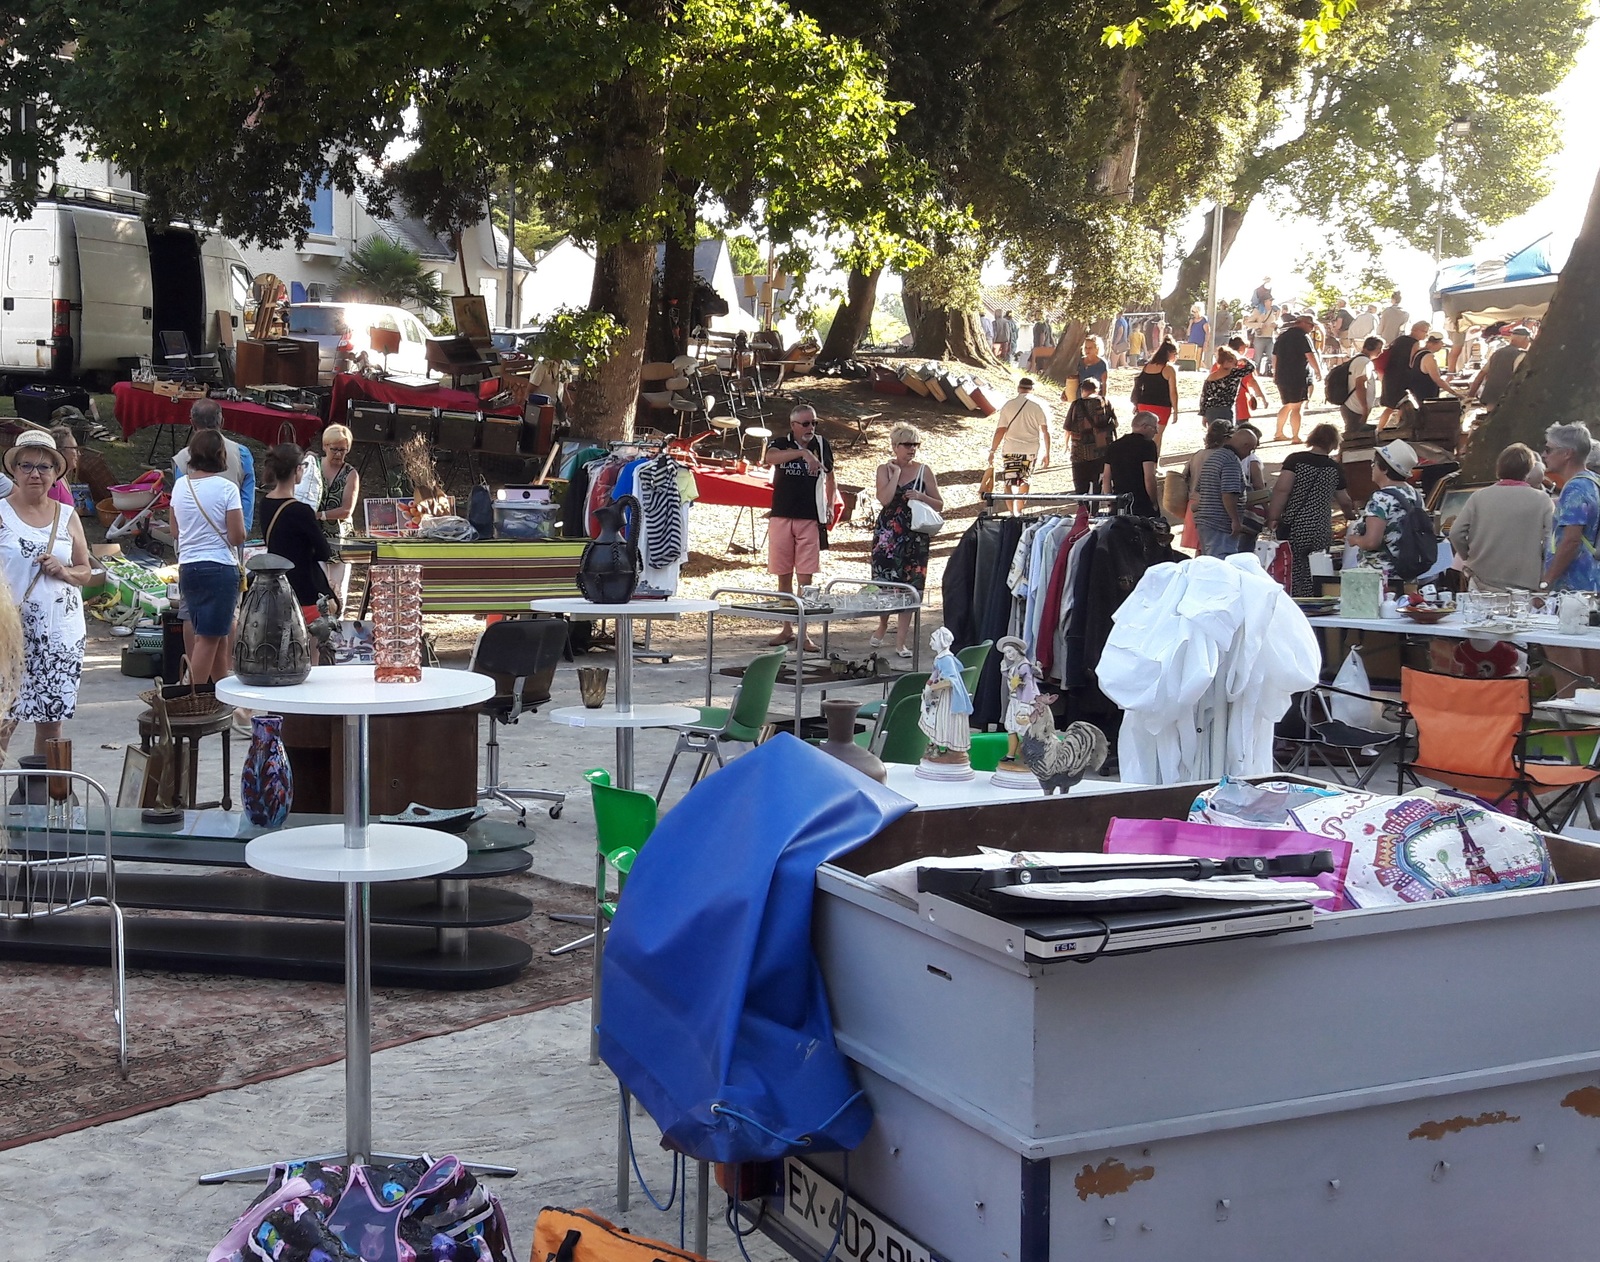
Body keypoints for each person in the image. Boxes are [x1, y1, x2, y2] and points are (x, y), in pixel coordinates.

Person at [0, 432, 89, 757]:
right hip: (9, 636)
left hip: (59, 635)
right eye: (26, 465)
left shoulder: (67, 516)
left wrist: (63, 572)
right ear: (14, 471)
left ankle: (43, 797)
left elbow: (86, 571)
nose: (35, 474)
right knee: (3, 718)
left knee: (51, 723)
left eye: (44, 467)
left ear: (55, 473)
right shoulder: (1, 513)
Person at [172, 428, 247, 685]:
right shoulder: (227, 488)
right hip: (219, 568)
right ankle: (189, 698)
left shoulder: (180, 485)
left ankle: (223, 696)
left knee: (218, 634)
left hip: (189, 567)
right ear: (220, 455)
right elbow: (237, 536)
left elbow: (175, 530)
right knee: (209, 638)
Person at [763, 404, 837, 649]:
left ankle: (804, 633)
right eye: (805, 424)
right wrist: (802, 454)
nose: (810, 428)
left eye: (814, 423)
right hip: (782, 515)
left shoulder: (822, 444)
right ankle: (786, 629)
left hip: (810, 517)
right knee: (783, 576)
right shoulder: (781, 442)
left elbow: (830, 474)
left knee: (805, 579)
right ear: (793, 425)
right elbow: (770, 458)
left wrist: (831, 502)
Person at [870, 423, 942, 659]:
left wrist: (921, 496)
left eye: (915, 444)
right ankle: (882, 624)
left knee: (910, 587)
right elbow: (885, 499)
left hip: (915, 535)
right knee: (886, 583)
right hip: (889, 534)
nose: (912, 449)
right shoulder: (884, 469)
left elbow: (939, 503)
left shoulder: (924, 470)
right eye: (907, 444)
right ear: (895, 446)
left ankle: (901, 642)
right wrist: (897, 475)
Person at [1266, 424, 1356, 597]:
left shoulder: (1295, 460)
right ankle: (1314, 600)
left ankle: (1296, 600)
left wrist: (1274, 517)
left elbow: (1282, 490)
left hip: (1296, 524)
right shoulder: (1334, 468)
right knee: (1318, 567)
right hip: (1321, 527)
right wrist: (1351, 517)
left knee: (1295, 566)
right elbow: (1344, 500)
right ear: (1333, 443)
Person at [1448, 443, 1553, 591]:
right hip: (1525, 582)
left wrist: (1468, 556)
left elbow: (1456, 533)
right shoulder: (1542, 500)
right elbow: (1551, 541)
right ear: (1528, 471)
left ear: (1499, 467)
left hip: (1482, 578)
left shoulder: (1479, 497)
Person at [259, 443, 336, 619]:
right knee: (312, 644)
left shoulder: (265, 504)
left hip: (277, 584)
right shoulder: (301, 511)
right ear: (297, 469)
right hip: (305, 588)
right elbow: (324, 552)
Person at [174, 398, 255, 525]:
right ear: (221, 422)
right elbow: (247, 497)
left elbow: (180, 503)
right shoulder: (241, 453)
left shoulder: (182, 458)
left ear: (193, 423)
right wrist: (243, 526)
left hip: (193, 533)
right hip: (231, 530)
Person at [1539, 423, 1600, 593]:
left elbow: (1571, 541)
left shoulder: (1575, 488)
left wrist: (1546, 582)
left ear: (1567, 453)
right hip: (1592, 579)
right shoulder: (1593, 481)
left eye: (1549, 449)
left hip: (1574, 586)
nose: (1544, 455)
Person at [1348, 439, 1423, 575]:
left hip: (1380, 574)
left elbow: (1371, 542)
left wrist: (1354, 540)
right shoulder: (1414, 494)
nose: (1372, 467)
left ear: (1385, 469)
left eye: (1374, 464)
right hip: (1407, 570)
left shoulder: (1380, 499)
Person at [1191, 423, 1258, 558]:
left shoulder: (1214, 457)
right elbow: (1228, 494)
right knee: (1221, 562)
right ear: (1245, 446)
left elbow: (1200, 489)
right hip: (1220, 523)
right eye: (1250, 450)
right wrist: (1235, 520)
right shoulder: (1231, 461)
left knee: (1209, 561)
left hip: (1206, 520)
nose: (1249, 454)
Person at [315, 422, 360, 609]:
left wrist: (320, 515)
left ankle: (337, 629)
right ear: (325, 446)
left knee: (337, 589)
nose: (339, 454)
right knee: (317, 585)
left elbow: (347, 510)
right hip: (314, 536)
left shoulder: (351, 474)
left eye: (344, 450)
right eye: (335, 449)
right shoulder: (313, 466)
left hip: (339, 538)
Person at [987, 377, 1051, 502]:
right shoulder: (1038, 406)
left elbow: (1000, 430)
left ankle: (1012, 512)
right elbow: (1045, 431)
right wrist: (1047, 453)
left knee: (1009, 481)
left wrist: (992, 451)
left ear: (1018, 388)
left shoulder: (1009, 405)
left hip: (1011, 448)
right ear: (1033, 389)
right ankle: (1020, 510)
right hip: (1030, 449)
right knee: (1025, 479)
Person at [917, 626, 973, 764]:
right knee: (935, 718)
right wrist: (929, 684)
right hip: (940, 694)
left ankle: (953, 750)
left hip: (947, 696)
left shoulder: (946, 659)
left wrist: (934, 687)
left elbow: (950, 680)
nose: (930, 642)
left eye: (933, 639)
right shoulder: (940, 657)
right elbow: (935, 673)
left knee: (946, 720)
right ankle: (938, 746)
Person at [1271, 313, 1323, 443]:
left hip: (1282, 376)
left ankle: (1279, 432)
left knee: (1288, 404)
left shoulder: (1282, 336)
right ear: (1303, 323)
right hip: (1297, 376)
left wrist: (1275, 373)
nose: (1312, 328)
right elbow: (1310, 355)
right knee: (1296, 407)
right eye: (1310, 325)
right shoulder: (1303, 336)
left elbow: (1274, 356)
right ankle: (1296, 436)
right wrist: (1318, 371)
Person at [1101, 410, 1161, 518]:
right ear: (1145, 426)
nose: (1156, 432)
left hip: (1120, 501)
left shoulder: (1114, 445)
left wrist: (1110, 501)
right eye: (1154, 427)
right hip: (1141, 502)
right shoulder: (1148, 445)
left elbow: (1106, 477)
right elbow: (1149, 477)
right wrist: (1154, 502)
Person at [1064, 377, 1115, 495]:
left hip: (1080, 451)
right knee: (1098, 481)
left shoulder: (1076, 405)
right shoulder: (1105, 402)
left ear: (1082, 390)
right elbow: (1114, 423)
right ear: (1097, 390)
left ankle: (1083, 508)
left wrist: (1066, 445)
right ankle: (1095, 508)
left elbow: (1068, 428)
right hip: (1102, 450)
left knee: (1081, 485)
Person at [1376, 319, 1430, 428]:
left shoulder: (1399, 339)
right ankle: (1380, 429)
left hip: (1390, 374)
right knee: (1394, 405)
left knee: (1397, 405)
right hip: (1401, 377)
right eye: (1425, 331)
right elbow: (1412, 362)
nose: (1426, 335)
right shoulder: (1414, 343)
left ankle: (1395, 426)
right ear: (1416, 330)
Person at [997, 635, 1040, 766]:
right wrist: (1004, 671)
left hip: (1023, 702)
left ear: (1018, 650)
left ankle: (1028, 755)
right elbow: (1013, 680)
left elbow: (1028, 687)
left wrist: (1025, 705)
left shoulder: (1024, 667)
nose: (1008, 655)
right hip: (1014, 700)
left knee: (1024, 728)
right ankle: (1011, 754)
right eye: (1006, 653)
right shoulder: (1016, 666)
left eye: (1010, 651)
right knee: (1011, 727)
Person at [1470, 325, 1533, 412]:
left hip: (1490, 398)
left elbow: (1481, 374)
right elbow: (1519, 379)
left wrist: (1470, 396)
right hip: (1507, 399)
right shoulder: (1521, 354)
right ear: (1525, 339)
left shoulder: (1498, 353)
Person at [1130, 339, 1179, 443]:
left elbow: (1140, 385)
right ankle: (1154, 458)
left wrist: (1136, 403)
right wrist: (1175, 410)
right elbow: (1173, 392)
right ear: (1169, 353)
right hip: (1162, 406)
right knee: (1157, 438)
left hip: (1144, 404)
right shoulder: (1168, 369)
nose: (1176, 357)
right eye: (1175, 354)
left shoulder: (1147, 366)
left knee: (1142, 437)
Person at [1342, 335, 1384, 431]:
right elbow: (1360, 386)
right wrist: (1365, 408)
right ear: (1370, 347)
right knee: (1354, 436)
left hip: (1355, 406)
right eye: (1379, 348)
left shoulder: (1362, 361)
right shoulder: (1363, 362)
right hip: (1355, 407)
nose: (1381, 352)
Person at [1408, 332, 1464, 403]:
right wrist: (1456, 394)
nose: (1442, 346)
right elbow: (1437, 380)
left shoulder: (1418, 353)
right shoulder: (1429, 357)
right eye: (1442, 344)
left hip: (1419, 393)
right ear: (1436, 343)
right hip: (1427, 396)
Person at [1198, 346, 1247, 422]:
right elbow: (1251, 367)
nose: (1236, 366)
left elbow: (1204, 397)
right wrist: (1243, 359)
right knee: (1226, 432)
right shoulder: (1234, 375)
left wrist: (1203, 414)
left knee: (1213, 432)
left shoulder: (1210, 377)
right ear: (1228, 362)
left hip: (1211, 410)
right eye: (1235, 363)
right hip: (1226, 410)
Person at [1226, 334, 1269, 420]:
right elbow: (1252, 382)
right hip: (1241, 402)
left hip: (1223, 404)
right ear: (1241, 348)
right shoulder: (1244, 365)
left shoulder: (1220, 363)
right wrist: (1263, 397)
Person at [46, 425, 80, 509]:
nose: (78, 453)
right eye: (74, 448)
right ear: (60, 451)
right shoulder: (54, 483)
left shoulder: (62, 477)